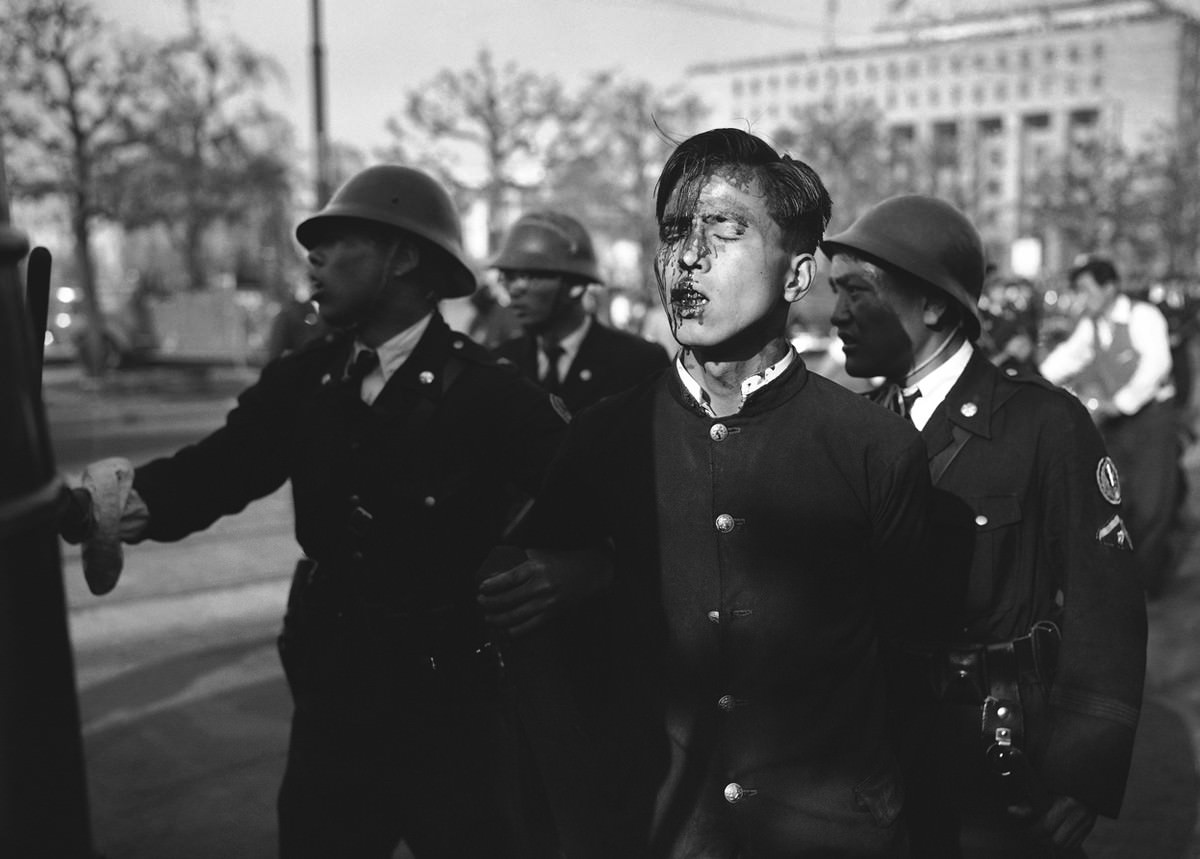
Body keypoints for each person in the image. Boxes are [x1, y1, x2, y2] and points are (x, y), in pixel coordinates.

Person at [62, 165, 568, 858]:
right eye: (315, 246)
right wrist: (112, 508)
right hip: (335, 702)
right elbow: (221, 469)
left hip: (453, 710)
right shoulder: (306, 379)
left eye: (338, 243)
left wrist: (572, 569)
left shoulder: (494, 396)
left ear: (404, 257)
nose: (314, 260)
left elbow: (588, 510)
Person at [478, 128, 934, 857]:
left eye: (725, 230)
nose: (688, 256)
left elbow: (916, 663)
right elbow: (529, 629)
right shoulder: (606, 437)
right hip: (658, 829)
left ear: (796, 274)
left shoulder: (873, 448)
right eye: (674, 232)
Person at [823, 196, 1148, 857]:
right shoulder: (853, 428)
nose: (837, 316)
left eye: (858, 292)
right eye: (836, 293)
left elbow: (1105, 602)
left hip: (1000, 748)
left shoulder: (1042, 424)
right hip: (880, 748)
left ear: (935, 306)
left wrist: (1082, 766)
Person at [1040, 254, 1182, 597]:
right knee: (1121, 500)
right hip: (1117, 425)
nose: (1082, 298)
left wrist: (1120, 402)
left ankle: (1150, 580)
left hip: (1151, 419)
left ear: (1110, 287)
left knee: (1152, 504)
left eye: (1087, 290)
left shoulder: (1143, 316)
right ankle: (1131, 576)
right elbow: (1067, 359)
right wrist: (1036, 384)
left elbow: (1157, 364)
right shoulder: (1092, 326)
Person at [492, 209, 669, 414]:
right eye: (509, 276)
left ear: (576, 286)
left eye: (531, 276)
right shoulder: (500, 365)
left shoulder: (639, 363)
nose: (515, 289)